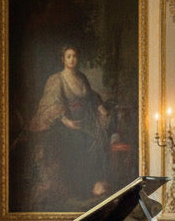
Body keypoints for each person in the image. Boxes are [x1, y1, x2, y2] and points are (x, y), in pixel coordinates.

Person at [28, 45, 112, 208]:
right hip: (63, 125)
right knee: (77, 143)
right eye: (69, 56)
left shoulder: (82, 77)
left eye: (74, 56)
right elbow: (51, 104)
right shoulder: (56, 79)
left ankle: (91, 186)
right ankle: (76, 191)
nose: (72, 59)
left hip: (84, 122)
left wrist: (100, 107)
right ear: (63, 59)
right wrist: (66, 121)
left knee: (96, 140)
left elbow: (91, 98)